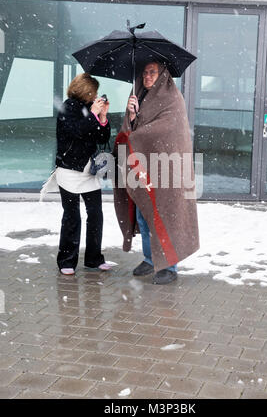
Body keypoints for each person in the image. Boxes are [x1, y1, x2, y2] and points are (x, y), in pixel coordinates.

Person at [113, 62, 199, 285]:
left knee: (166, 215)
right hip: (143, 167)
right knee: (144, 214)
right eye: (144, 72)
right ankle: (150, 259)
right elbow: (129, 131)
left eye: (152, 72)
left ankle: (169, 264)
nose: (147, 77)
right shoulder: (138, 96)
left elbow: (168, 129)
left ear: (162, 75)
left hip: (167, 167)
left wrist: (139, 133)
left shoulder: (173, 99)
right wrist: (132, 116)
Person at [54, 72, 111, 275]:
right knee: (72, 216)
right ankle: (66, 260)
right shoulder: (68, 107)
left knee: (95, 214)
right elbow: (76, 131)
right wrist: (93, 114)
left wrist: (102, 117)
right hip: (69, 170)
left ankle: (94, 259)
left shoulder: (90, 109)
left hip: (88, 171)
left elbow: (102, 137)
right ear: (86, 90)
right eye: (93, 91)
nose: (95, 95)